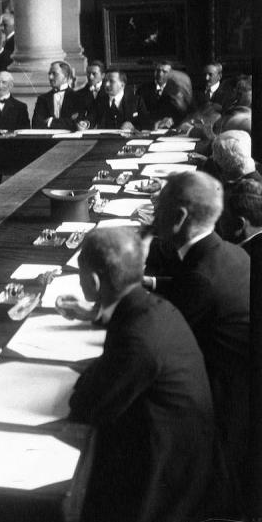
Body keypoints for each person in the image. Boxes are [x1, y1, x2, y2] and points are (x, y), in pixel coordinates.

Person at [67, 228, 214, 522]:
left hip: (167, 478)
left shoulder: (137, 337)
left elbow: (85, 405)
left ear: (93, 282)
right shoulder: (148, 307)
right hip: (183, 450)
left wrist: (91, 380)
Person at [144, 171, 250, 512]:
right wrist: (148, 282)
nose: (152, 213)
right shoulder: (229, 253)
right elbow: (186, 285)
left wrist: (113, 300)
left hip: (217, 409)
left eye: (158, 207)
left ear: (178, 218)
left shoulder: (201, 278)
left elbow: (153, 345)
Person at [32, 60, 87, 130]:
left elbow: (78, 123)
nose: (50, 77)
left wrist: (51, 121)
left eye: (55, 74)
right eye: (49, 74)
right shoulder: (42, 99)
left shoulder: (78, 98)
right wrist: (66, 123)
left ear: (66, 77)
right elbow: (36, 124)